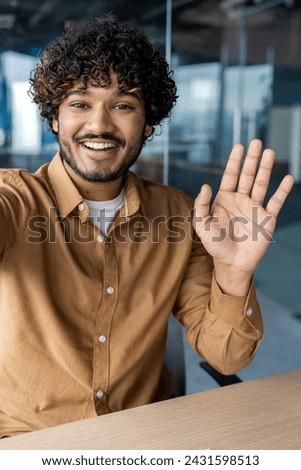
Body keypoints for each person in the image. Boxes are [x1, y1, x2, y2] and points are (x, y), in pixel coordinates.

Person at [0, 16, 294, 438]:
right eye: (80, 103)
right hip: (27, 446)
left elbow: (227, 358)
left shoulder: (180, 216)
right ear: (54, 119)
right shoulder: (15, 199)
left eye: (123, 105)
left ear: (149, 123)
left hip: (142, 440)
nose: (99, 125)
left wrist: (234, 271)